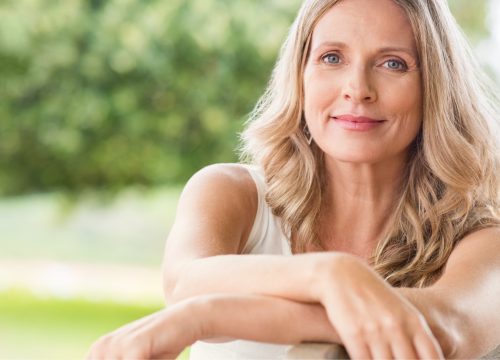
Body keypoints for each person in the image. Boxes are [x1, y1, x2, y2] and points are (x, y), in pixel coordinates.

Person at [87, 0, 500, 358]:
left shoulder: (481, 238)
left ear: (434, 87)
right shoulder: (231, 193)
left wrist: (205, 314)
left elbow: (446, 326)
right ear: (300, 76)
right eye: (332, 58)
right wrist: (329, 275)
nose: (357, 89)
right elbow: (185, 281)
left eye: (393, 63)